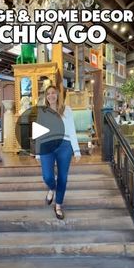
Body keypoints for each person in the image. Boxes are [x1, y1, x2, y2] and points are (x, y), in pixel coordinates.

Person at [36, 85, 81, 220]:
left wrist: (76, 150)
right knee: (47, 176)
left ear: (58, 95)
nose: (51, 96)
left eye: (53, 93)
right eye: (48, 93)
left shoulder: (67, 110)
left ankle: (58, 205)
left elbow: (72, 130)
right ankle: (52, 188)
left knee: (63, 177)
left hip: (64, 146)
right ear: (46, 96)